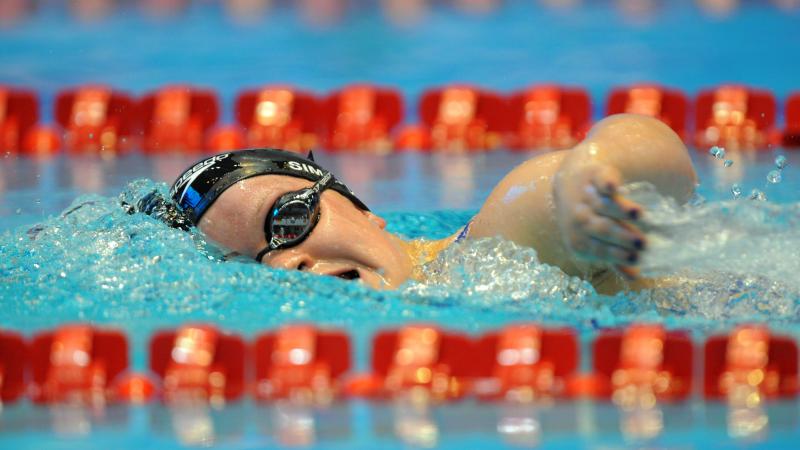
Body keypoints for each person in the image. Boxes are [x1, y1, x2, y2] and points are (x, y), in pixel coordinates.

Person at [150, 114, 696, 291]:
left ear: (363, 208)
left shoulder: (490, 250)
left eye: (289, 219)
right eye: (252, 264)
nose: (286, 261)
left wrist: (590, 172)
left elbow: (660, 158)